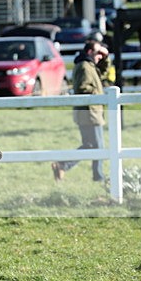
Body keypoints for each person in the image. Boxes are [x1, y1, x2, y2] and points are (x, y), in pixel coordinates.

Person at [52, 41, 109, 183]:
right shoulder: (85, 67)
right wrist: (99, 94)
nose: (100, 57)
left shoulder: (87, 65)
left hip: (87, 112)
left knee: (89, 145)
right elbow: (83, 89)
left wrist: (106, 56)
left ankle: (63, 165)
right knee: (98, 147)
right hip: (90, 113)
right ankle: (98, 176)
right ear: (90, 52)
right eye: (98, 53)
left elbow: (102, 71)